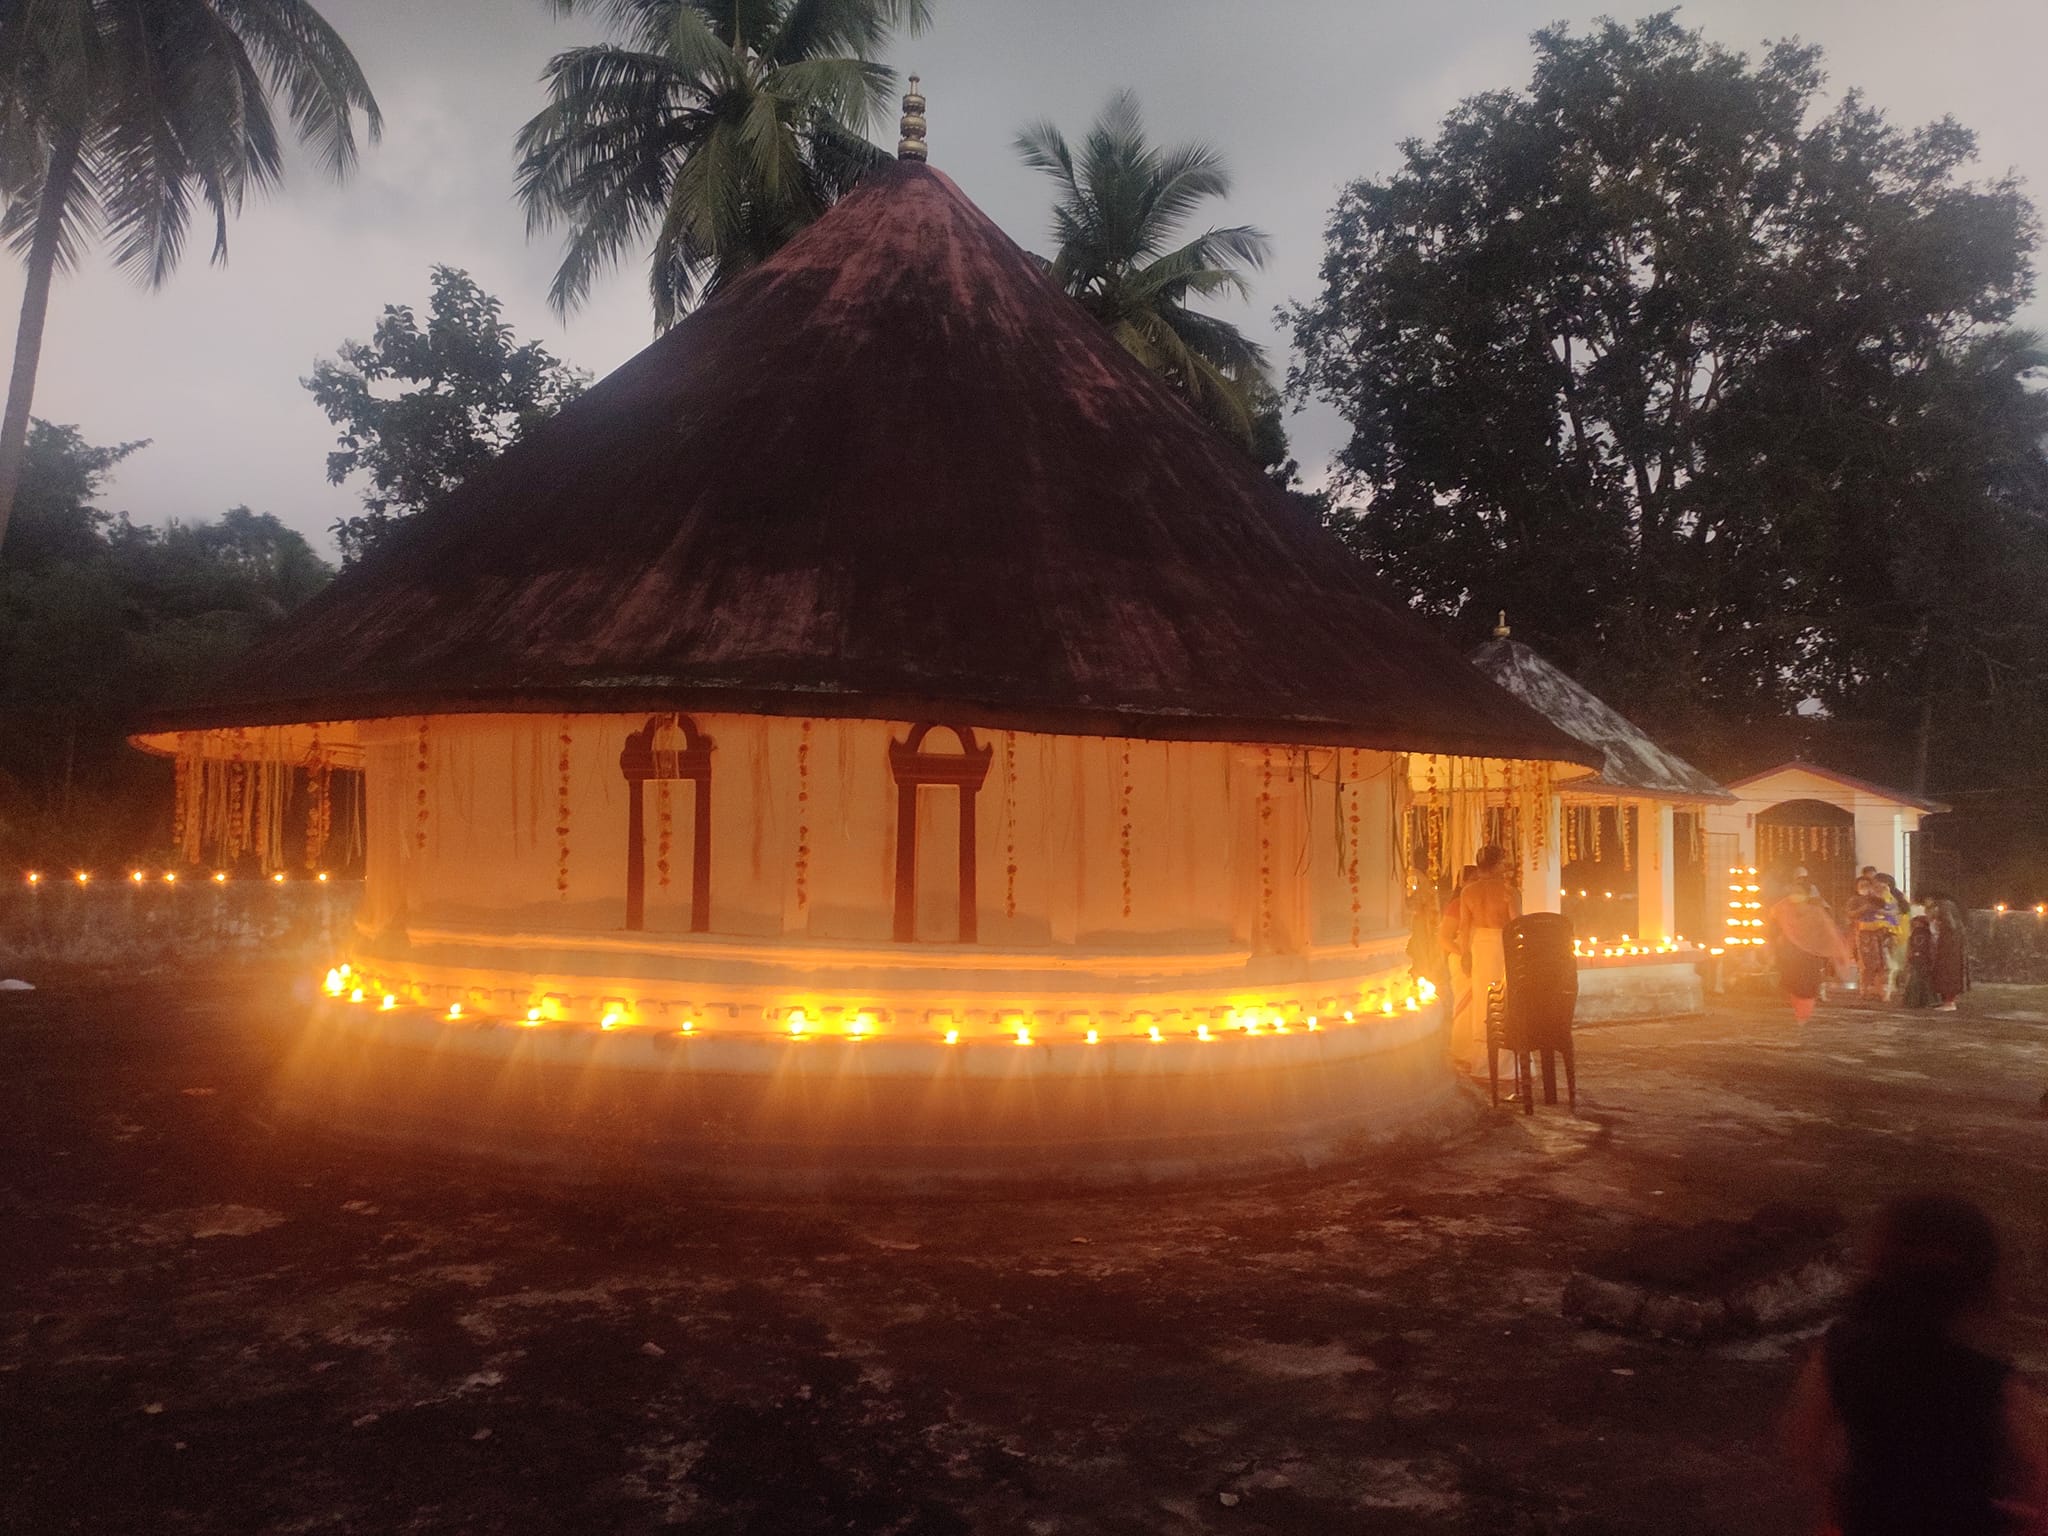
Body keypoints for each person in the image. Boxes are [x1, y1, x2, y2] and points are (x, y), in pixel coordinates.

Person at [1786, 1194, 2048, 1535]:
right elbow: (2040, 1480)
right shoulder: (1992, 1383)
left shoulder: (1840, 1352)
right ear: (1980, 1289)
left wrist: (1841, 1500)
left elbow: (1802, 1444)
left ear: (1880, 1268)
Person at [1454, 845, 1519, 1075]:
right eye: (1504, 861)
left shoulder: (1468, 892)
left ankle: (1483, 1063)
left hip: (1479, 946)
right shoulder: (1508, 891)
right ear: (1497, 863)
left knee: (1483, 1000)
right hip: (1502, 946)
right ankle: (1506, 1063)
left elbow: (1464, 928)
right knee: (1505, 999)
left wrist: (1464, 954)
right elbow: (1515, 925)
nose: (1506, 866)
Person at [1769, 882, 1852, 1023]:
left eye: (1798, 892)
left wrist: (1834, 950)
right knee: (1792, 983)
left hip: (1810, 955)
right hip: (1790, 954)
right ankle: (1797, 1014)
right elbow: (1772, 926)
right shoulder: (1783, 911)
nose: (1794, 895)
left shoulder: (1816, 912)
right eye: (1792, 892)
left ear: (1807, 895)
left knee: (1808, 985)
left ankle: (1804, 1015)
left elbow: (1829, 933)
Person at [1439, 864, 1480, 1073]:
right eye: (1472, 880)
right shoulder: (1456, 905)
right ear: (1462, 883)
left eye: (1479, 880)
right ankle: (1462, 1051)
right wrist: (1465, 954)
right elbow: (1444, 939)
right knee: (1464, 1006)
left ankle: (1478, 1051)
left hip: (1480, 958)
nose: (1476, 885)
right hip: (1462, 960)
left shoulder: (1478, 903)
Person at [1846, 878, 1900, 1004]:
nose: (1865, 887)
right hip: (1864, 935)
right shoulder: (1854, 900)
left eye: (1867, 885)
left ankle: (1882, 992)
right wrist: (1864, 909)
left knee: (1882, 964)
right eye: (1862, 885)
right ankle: (1864, 991)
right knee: (1866, 965)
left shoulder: (1879, 897)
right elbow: (1850, 914)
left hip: (1882, 934)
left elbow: (1893, 911)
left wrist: (1881, 911)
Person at [1929, 891, 1971, 1013]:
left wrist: (1937, 924)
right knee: (1950, 972)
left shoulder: (1943, 906)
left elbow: (1949, 924)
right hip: (1955, 944)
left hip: (1949, 945)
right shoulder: (1951, 905)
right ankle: (1948, 1000)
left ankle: (1949, 1002)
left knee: (1947, 972)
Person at [1900, 905, 1939, 1010]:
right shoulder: (1926, 934)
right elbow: (1930, 948)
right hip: (1923, 960)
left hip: (1918, 959)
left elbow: (1911, 948)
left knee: (1916, 980)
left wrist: (1909, 958)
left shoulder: (1916, 934)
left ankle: (1914, 1001)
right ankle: (1924, 1001)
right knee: (1923, 981)